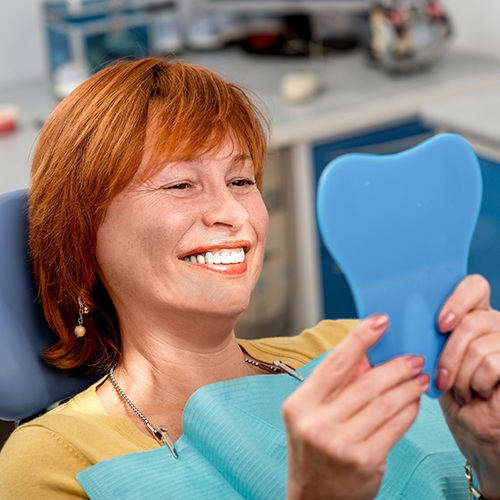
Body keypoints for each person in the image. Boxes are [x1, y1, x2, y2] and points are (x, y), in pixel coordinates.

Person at [0, 56, 499, 499]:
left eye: (241, 180)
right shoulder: (55, 463)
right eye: (179, 184)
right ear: (83, 234)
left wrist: (489, 458)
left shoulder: (361, 348)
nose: (232, 212)